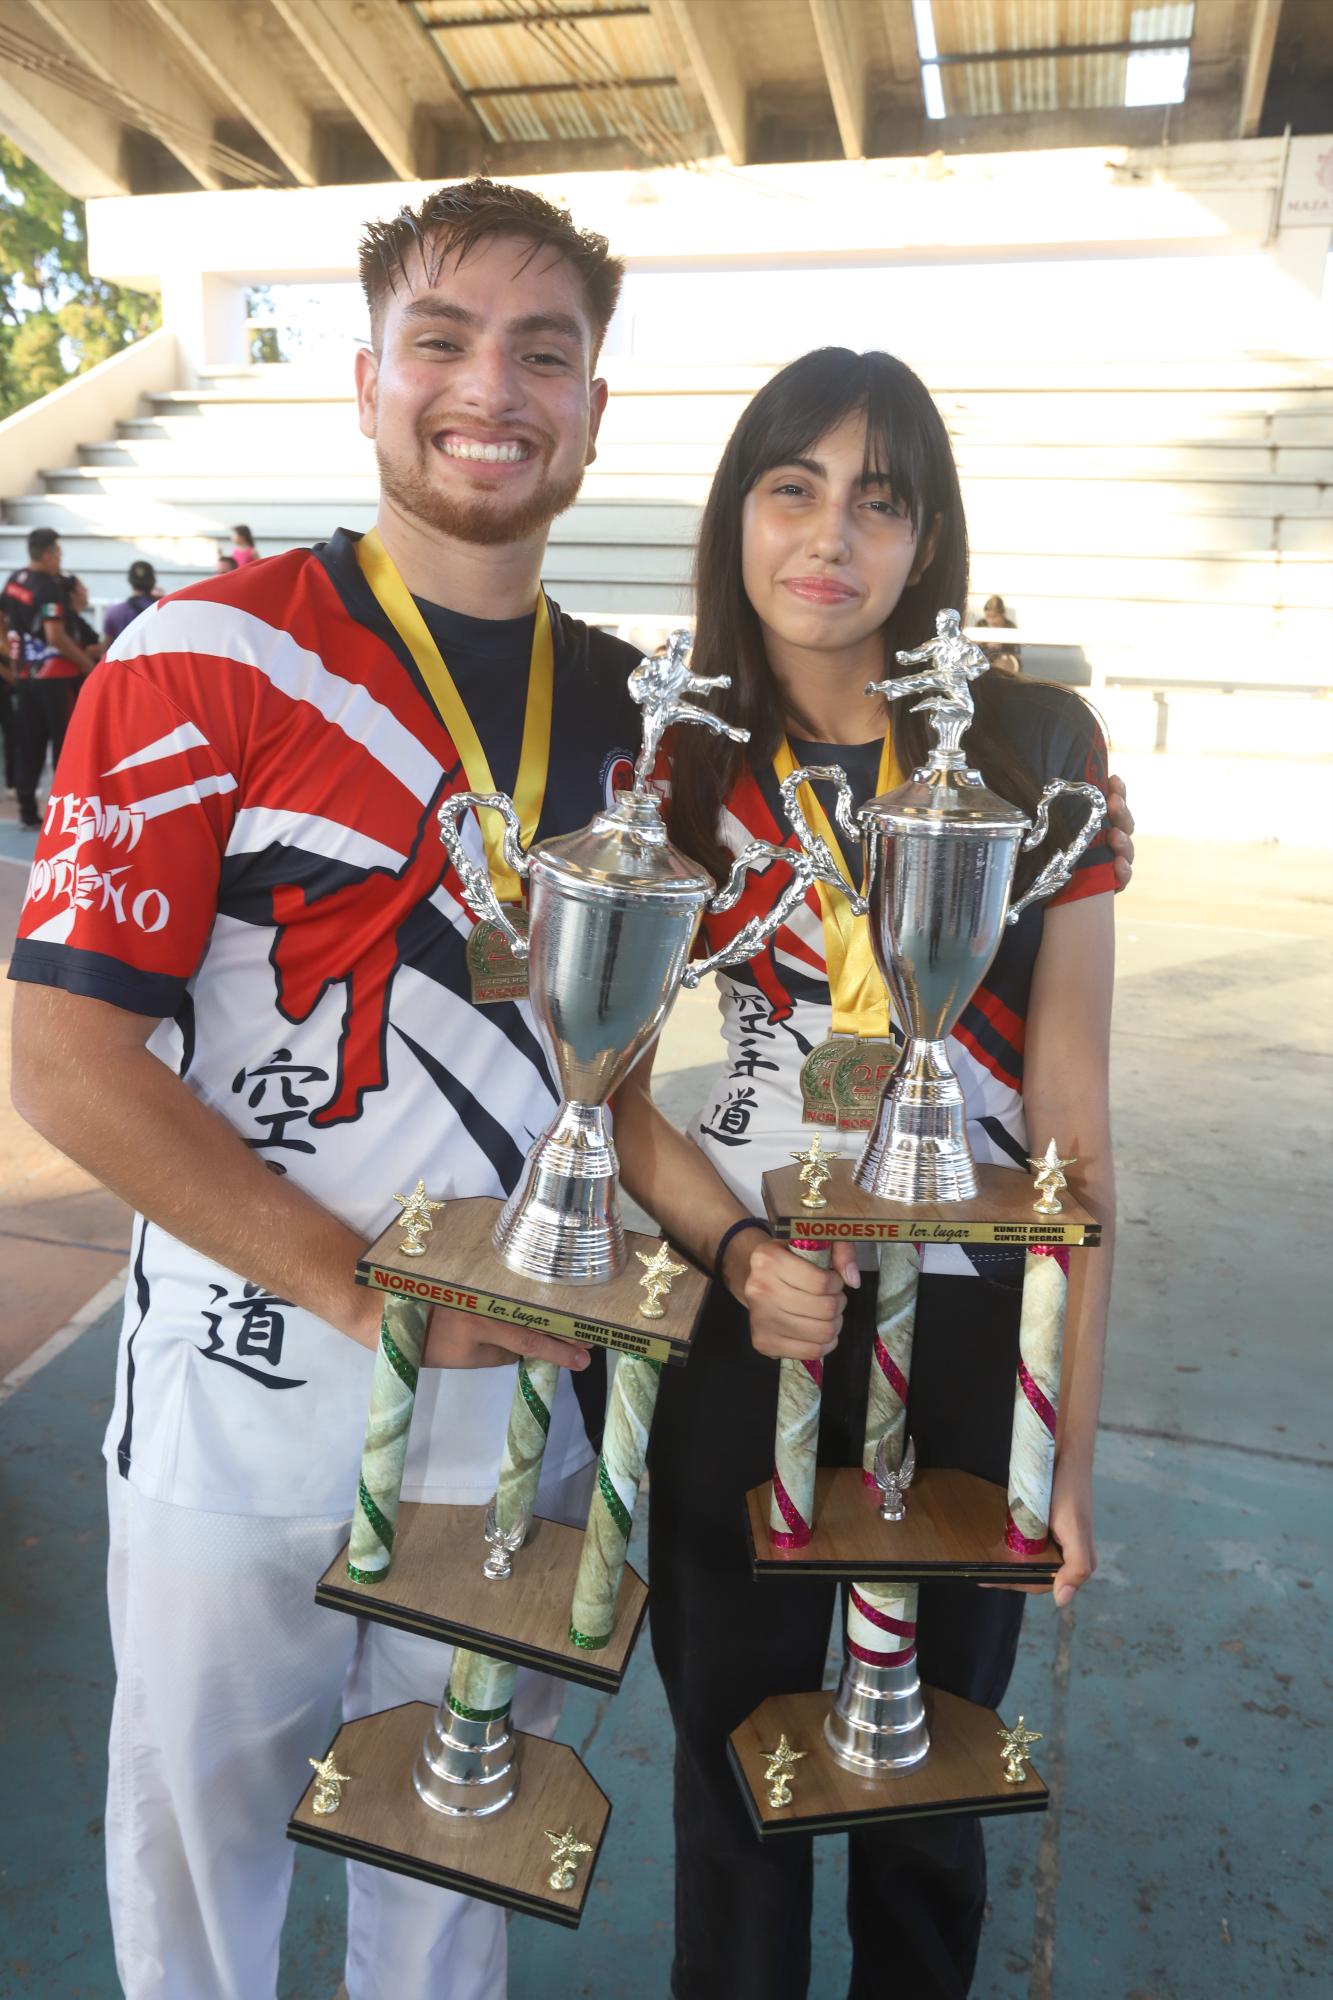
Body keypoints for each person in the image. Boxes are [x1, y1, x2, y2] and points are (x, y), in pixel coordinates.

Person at [8, 178, 649, 2000]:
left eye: (546, 352)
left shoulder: (637, 722)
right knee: (199, 1850)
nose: (491, 390)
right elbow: (63, 1057)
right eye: (442, 342)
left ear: (594, 409)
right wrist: (366, 1292)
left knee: (448, 1862)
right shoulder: (205, 651)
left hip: (512, 1424)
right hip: (245, 1401)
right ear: (366, 378)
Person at [612, 347, 1123, 2000]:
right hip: (741, 1322)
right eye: (791, 486)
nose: (829, 536)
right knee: (731, 1789)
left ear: (925, 538)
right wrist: (734, 1255)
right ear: (736, 516)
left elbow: (1072, 1130)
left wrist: (1066, 1450)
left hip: (966, 1344)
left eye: (877, 499)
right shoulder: (668, 769)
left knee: (923, 1789)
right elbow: (610, 1096)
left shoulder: (1040, 752)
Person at [1, 527, 98, 827]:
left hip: (26, 677)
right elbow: (54, 635)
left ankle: (27, 812)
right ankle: (65, 818)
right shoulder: (47, 587)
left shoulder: (15, 579)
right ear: (47, 555)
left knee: (28, 744)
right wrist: (86, 665)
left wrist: (14, 655)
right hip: (55, 678)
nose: (60, 558)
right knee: (65, 745)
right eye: (58, 553)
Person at [103, 559, 162, 646]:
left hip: (127, 658)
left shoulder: (114, 612)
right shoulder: (163, 608)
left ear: (130, 581)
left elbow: (106, 649)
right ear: (153, 582)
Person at [976, 591, 1022, 674]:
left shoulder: (1010, 626)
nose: (991, 620)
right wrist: (985, 644)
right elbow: (974, 646)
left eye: (994, 617)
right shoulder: (981, 624)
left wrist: (1002, 645)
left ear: (1003, 615)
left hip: (1005, 657)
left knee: (1005, 662)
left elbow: (1015, 649)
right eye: (988, 617)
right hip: (985, 656)